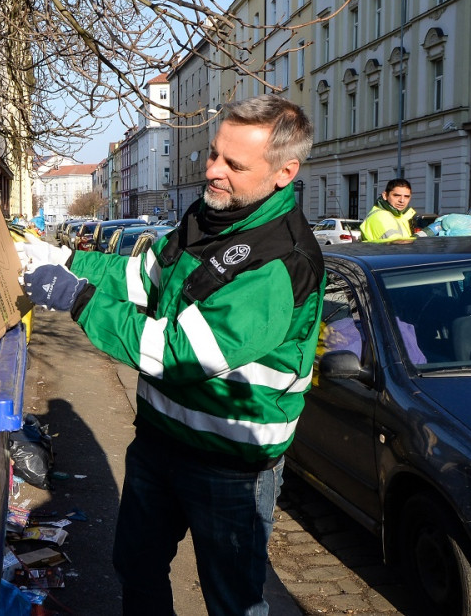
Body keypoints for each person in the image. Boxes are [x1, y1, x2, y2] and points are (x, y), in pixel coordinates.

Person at [19, 94, 325, 615]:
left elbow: (175, 353)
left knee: (234, 603)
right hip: (160, 444)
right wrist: (66, 259)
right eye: (213, 154)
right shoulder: (208, 215)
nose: (212, 171)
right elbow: (145, 277)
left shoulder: (279, 262)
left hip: (230, 469)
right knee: (137, 568)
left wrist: (77, 297)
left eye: (233, 164)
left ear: (284, 172)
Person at [359, 178, 415, 242]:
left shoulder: (399, 216)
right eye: (396, 195)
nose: (402, 200)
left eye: (406, 196)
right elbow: (397, 245)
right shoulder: (381, 216)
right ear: (385, 195)